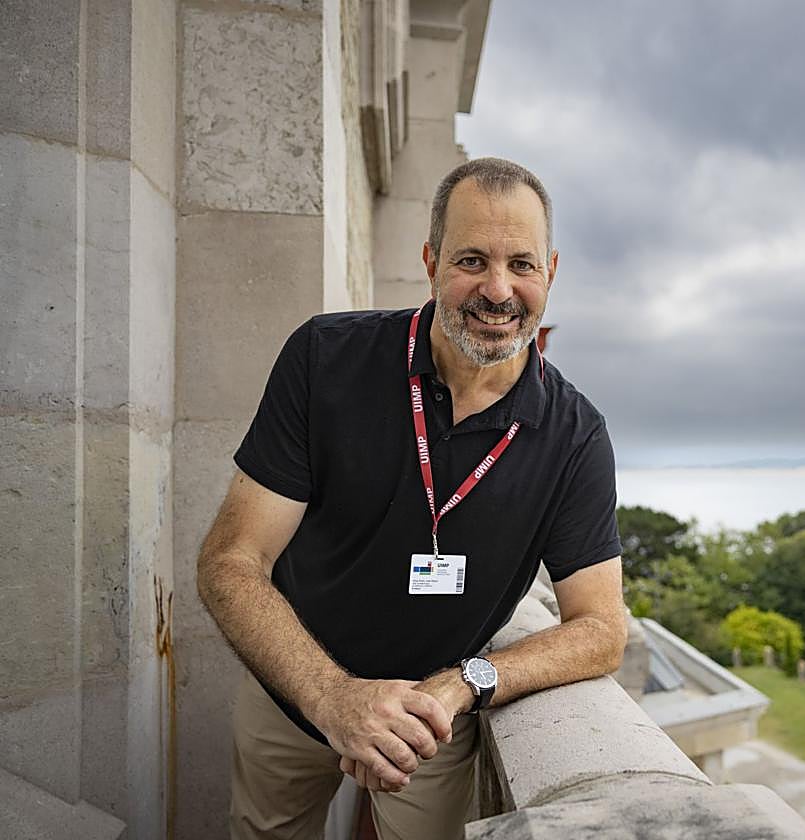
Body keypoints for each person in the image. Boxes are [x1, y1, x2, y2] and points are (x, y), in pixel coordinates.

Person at [196, 157, 627, 840]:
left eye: (521, 264)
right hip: (292, 696)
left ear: (550, 271)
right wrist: (334, 698)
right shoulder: (325, 358)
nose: (498, 289)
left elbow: (602, 631)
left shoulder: (575, 435)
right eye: (471, 260)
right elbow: (230, 560)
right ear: (430, 260)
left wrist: (466, 683)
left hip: (434, 720)